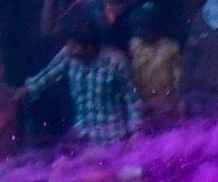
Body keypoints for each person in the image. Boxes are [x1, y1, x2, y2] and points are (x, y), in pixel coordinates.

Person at [22, 18, 142, 148]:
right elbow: (45, 77)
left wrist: (135, 133)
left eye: (73, 46)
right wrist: (24, 91)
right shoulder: (68, 56)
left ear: (89, 47)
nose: (69, 49)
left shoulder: (116, 61)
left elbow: (132, 100)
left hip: (114, 138)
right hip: (83, 136)